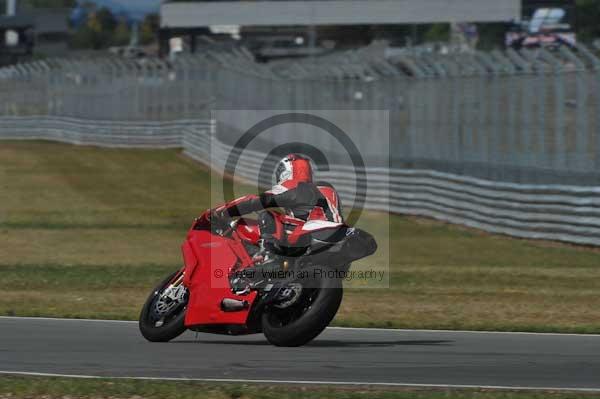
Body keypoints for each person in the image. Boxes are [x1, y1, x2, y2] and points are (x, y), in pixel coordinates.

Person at [210, 153, 376, 294]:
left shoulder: (295, 185)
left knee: (268, 214)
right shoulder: (327, 191)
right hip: (335, 255)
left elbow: (254, 201)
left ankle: (271, 259)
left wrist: (221, 212)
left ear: (286, 171)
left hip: (312, 237)